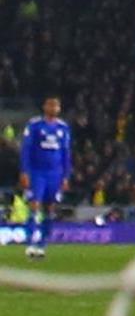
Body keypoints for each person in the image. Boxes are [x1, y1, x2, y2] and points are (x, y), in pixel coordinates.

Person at [17, 96, 71, 261]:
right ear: (44, 106)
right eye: (50, 104)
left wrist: (66, 176)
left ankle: (42, 245)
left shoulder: (63, 128)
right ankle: (31, 243)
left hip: (55, 174)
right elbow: (26, 150)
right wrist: (25, 171)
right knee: (34, 205)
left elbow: (66, 153)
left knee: (50, 208)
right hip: (37, 172)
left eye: (56, 105)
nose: (54, 108)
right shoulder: (35, 125)